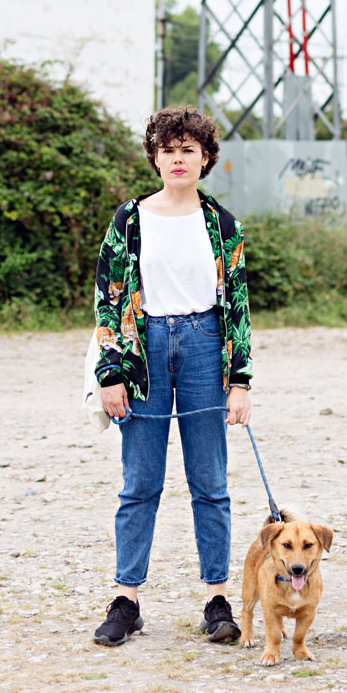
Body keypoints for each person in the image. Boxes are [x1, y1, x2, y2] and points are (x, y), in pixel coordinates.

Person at [92, 106, 253, 647]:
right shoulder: (130, 219)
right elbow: (109, 301)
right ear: (154, 157)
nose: (177, 158)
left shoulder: (221, 224)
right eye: (167, 149)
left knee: (210, 482)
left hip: (207, 346)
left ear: (206, 158)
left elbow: (238, 307)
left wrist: (240, 381)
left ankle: (217, 599)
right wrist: (109, 374)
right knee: (140, 482)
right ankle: (126, 600)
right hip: (145, 348)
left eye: (188, 149)